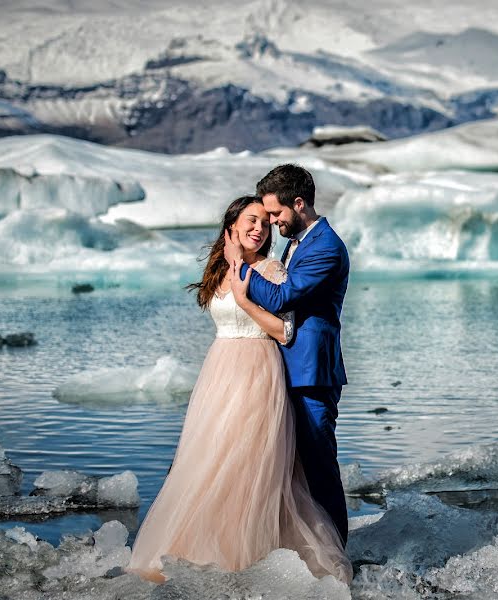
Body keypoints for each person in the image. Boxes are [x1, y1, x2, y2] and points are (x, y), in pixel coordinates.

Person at [126, 195, 351, 584]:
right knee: (209, 461)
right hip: (219, 373)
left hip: (258, 372)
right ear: (231, 226)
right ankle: (201, 549)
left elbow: (283, 330)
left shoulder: (271, 269)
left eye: (265, 222)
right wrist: (233, 270)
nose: (259, 229)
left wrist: (245, 297)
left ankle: (252, 553)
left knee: (250, 464)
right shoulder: (219, 270)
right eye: (251, 220)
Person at [223, 164, 350, 545]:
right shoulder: (296, 242)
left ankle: (336, 552)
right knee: (289, 468)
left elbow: (281, 297)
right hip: (286, 371)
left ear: (299, 204)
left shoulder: (325, 246)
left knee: (319, 467)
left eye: (276, 214)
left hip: (312, 374)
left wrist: (241, 264)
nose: (272, 222)